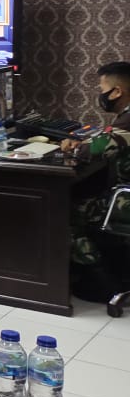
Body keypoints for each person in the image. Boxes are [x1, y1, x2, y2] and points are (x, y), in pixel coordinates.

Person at [63, 62, 130, 300]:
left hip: (125, 199)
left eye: (102, 89)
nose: (100, 94)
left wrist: (74, 146)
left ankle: (104, 282)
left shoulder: (128, 122)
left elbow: (95, 150)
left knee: (63, 212)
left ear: (117, 92)